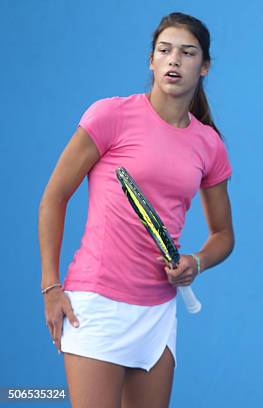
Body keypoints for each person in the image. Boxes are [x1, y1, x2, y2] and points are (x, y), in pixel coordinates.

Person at [38, 12, 234, 407]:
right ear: (151, 60)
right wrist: (50, 286)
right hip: (95, 305)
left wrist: (195, 261)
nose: (174, 60)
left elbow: (224, 236)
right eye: (165, 50)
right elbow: (54, 197)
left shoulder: (208, 144)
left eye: (187, 52)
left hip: (158, 314)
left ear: (205, 66)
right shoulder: (110, 115)